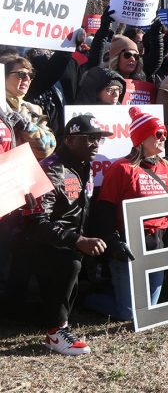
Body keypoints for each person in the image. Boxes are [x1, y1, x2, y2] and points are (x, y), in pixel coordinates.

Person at [22, 115, 111, 355]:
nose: (95, 144)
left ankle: (61, 320)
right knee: (69, 262)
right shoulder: (51, 169)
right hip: (41, 244)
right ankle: (56, 331)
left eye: (99, 139)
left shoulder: (84, 166)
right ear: (70, 140)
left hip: (69, 240)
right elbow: (36, 222)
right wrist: (77, 241)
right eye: (90, 138)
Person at [85, 107, 168, 320]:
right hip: (128, 244)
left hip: (156, 243)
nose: (163, 138)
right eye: (158, 134)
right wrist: (114, 243)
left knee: (148, 309)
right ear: (141, 138)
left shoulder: (167, 168)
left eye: (164, 134)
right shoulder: (121, 169)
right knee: (130, 314)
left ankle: (116, 293)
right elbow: (104, 210)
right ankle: (86, 297)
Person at [3, 55, 55, 159]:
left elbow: (48, 148)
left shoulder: (33, 109)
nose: (27, 79)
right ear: (3, 76)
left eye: (30, 75)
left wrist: (26, 127)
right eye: (21, 74)